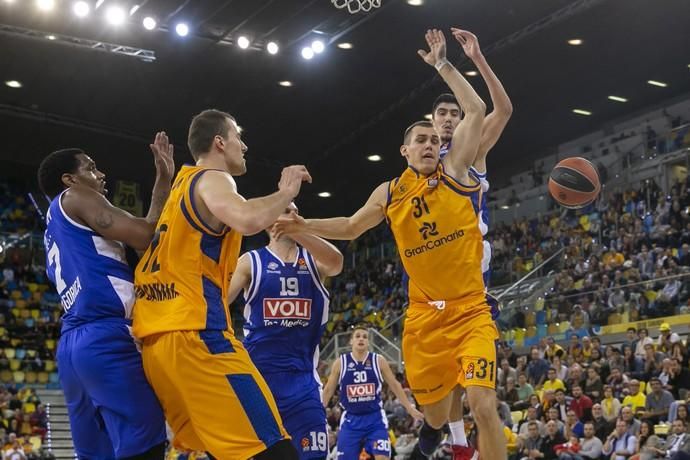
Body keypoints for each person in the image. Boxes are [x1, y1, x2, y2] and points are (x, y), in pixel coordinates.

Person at [275, 29, 506, 460]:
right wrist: (302, 225)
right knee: (434, 412)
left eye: (435, 140)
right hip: (423, 320)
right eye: (422, 139)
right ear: (403, 150)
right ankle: (432, 436)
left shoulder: (454, 171)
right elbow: (349, 226)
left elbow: (476, 108)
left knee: (483, 404)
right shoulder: (389, 191)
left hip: (472, 310)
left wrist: (443, 64)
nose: (431, 145)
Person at [131, 109, 312, 459]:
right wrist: (285, 191)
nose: (243, 145)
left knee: (215, 452)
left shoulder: (181, 187)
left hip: (158, 343)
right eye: (238, 137)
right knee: (272, 449)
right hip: (199, 338)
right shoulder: (213, 178)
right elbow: (246, 218)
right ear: (219, 142)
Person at [37, 134, 174, 459]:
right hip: (104, 336)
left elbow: (141, 239)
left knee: (98, 453)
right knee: (147, 440)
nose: (100, 175)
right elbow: (145, 235)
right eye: (91, 168)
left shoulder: (53, 228)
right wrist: (165, 184)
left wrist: (161, 183)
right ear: (69, 179)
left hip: (73, 345)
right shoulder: (75, 196)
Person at [427, 26, 512, 460]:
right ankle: (453, 440)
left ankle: (463, 446)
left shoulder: (472, 150)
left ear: (461, 121)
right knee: (443, 386)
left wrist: (475, 58)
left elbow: (503, 108)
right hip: (432, 276)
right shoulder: (422, 161)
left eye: (452, 114)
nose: (445, 118)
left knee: (471, 382)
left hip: (471, 270)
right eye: (439, 114)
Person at [226, 202, 344, 459]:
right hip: (259, 381)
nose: (293, 215)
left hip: (303, 382)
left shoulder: (314, 260)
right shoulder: (250, 261)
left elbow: (336, 263)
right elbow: (218, 302)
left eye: (295, 210)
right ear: (269, 220)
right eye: (285, 211)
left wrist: (299, 229)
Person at [321, 326, 423, 459]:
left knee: (382, 457)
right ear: (351, 341)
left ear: (368, 342)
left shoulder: (378, 360)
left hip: (375, 420)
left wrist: (409, 408)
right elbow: (328, 390)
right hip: (351, 421)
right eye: (357, 336)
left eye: (364, 336)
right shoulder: (341, 363)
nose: (361, 339)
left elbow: (395, 385)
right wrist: (318, 412)